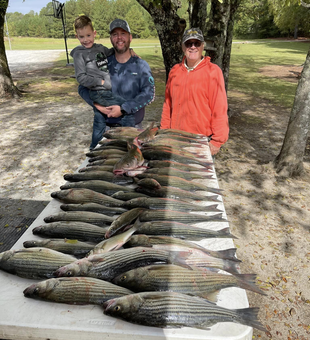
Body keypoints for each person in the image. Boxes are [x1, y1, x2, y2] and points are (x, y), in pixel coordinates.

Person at [78, 18, 155, 150]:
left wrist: (124, 108)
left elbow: (149, 94)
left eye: (123, 33)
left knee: (130, 167)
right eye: (115, 34)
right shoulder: (102, 63)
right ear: (111, 39)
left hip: (133, 129)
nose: (119, 38)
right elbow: (82, 88)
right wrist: (97, 105)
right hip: (107, 129)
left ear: (130, 37)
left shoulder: (141, 65)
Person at [160, 27, 229, 156]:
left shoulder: (213, 71)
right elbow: (167, 105)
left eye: (196, 43)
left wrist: (217, 141)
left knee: (199, 176)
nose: (192, 47)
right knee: (176, 175)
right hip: (176, 138)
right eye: (188, 43)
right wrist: (164, 132)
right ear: (182, 47)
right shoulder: (174, 71)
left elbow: (219, 108)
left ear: (203, 46)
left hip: (201, 141)